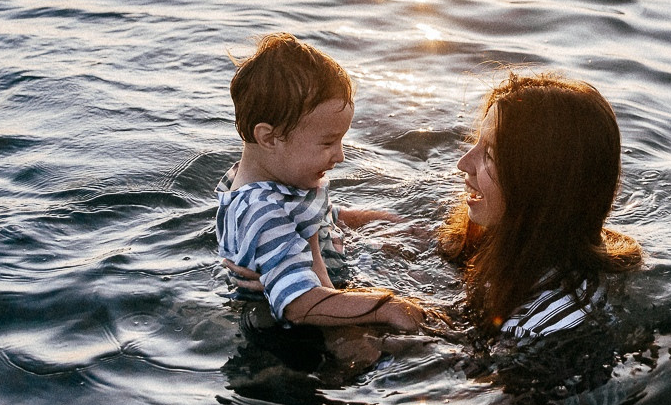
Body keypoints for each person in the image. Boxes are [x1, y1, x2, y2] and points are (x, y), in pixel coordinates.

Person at [216, 32, 423, 333]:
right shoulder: (261, 213)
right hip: (292, 337)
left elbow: (325, 217)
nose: (339, 155)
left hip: (329, 291)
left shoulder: (283, 180)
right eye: (328, 142)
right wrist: (387, 307)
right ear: (269, 137)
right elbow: (299, 306)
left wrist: (393, 224)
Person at [439, 72, 643, 341]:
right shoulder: (524, 242)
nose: (463, 163)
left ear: (537, 184)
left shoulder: (535, 326)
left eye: (489, 154)